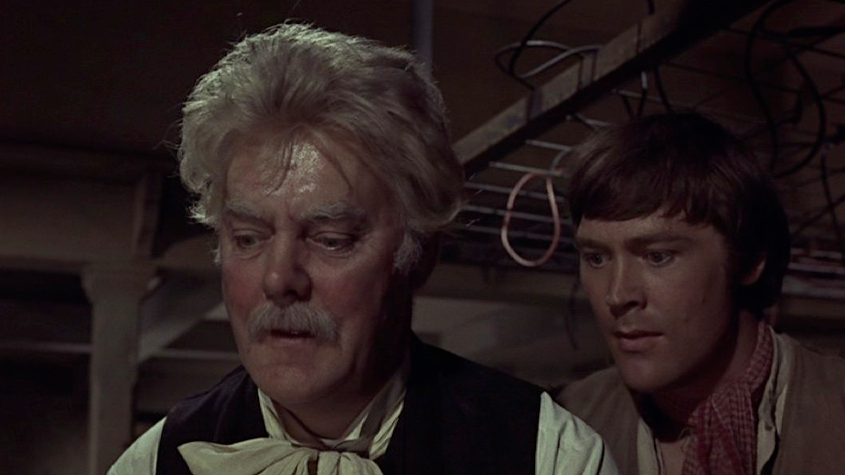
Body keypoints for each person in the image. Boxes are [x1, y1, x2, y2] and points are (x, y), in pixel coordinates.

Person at [109, 22, 617, 475]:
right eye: (248, 238)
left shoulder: (547, 455)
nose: (278, 278)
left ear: (419, 255)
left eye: (331, 240)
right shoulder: (153, 463)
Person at [557, 112, 845, 475]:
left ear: (748, 260)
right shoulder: (563, 426)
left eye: (658, 256)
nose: (617, 295)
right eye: (596, 258)